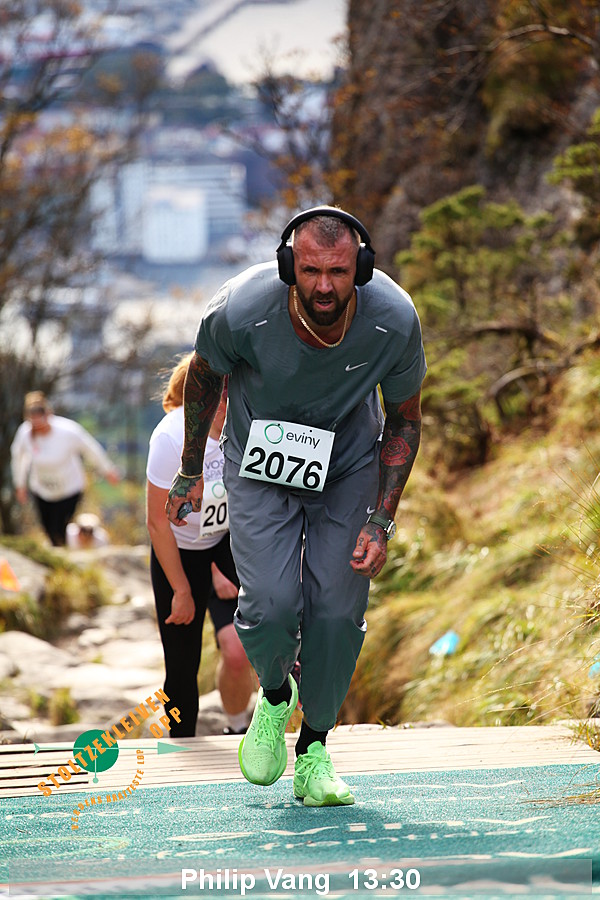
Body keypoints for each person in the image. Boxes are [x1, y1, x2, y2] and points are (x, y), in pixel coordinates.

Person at [166, 206, 426, 805]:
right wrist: (190, 472)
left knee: (336, 612)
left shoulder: (393, 319)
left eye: (339, 271)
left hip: (348, 467)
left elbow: (405, 419)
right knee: (271, 605)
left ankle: (313, 749)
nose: (324, 286)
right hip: (261, 464)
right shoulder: (240, 309)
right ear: (288, 266)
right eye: (310, 271)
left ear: (361, 267)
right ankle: (277, 694)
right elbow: (202, 379)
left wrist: (381, 519)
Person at [146, 355, 255, 738]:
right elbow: (157, 522)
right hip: (180, 551)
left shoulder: (247, 425)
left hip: (227, 540)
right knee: (181, 665)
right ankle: (181, 748)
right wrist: (181, 590)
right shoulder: (170, 437)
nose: (230, 403)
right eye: (223, 396)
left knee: (279, 609)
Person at [11, 391, 120, 547]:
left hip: (69, 489)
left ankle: (63, 556)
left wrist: (108, 470)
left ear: (48, 413)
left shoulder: (67, 431)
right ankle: (58, 555)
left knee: (59, 530)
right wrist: (20, 484)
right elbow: (19, 458)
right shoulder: (25, 434)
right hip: (42, 490)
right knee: (48, 530)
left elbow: (90, 449)